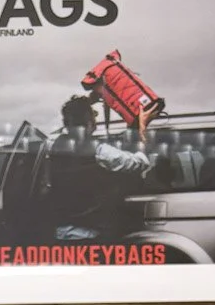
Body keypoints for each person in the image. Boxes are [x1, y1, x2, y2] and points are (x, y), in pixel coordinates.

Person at [40, 94, 159, 245]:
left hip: (61, 234)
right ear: (90, 123)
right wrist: (142, 128)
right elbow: (139, 163)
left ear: (67, 123)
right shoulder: (100, 151)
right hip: (89, 236)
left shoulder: (52, 146)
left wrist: (83, 104)